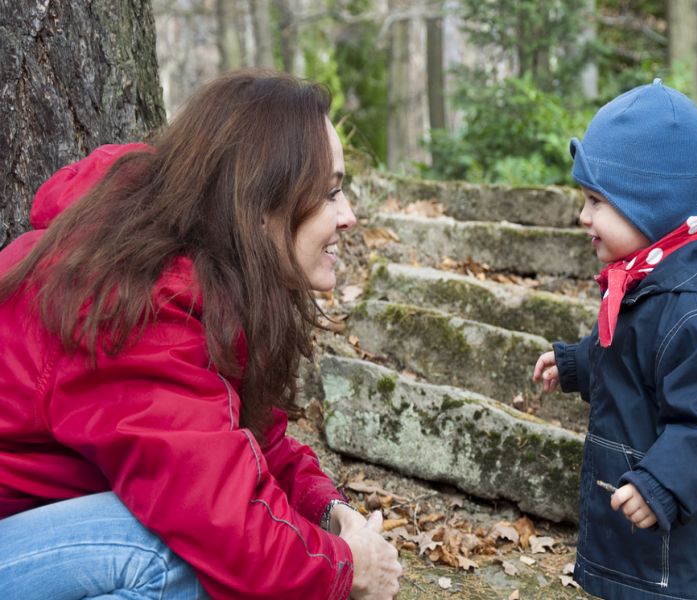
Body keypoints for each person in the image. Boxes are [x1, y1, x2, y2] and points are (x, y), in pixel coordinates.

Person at [0, 70, 402, 599]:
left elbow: (247, 443)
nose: (348, 216)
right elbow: (229, 529)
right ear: (261, 204)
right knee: (173, 555)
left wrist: (327, 510)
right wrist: (348, 568)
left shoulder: (198, 280)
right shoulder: (144, 304)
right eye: (329, 193)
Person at [532, 79, 697, 599]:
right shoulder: (652, 284)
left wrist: (664, 483)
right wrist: (581, 362)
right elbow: (634, 353)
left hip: (696, 570)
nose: (583, 216)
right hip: (651, 562)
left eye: (596, 201)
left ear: (650, 204)